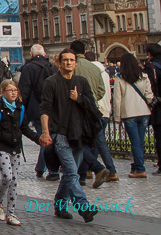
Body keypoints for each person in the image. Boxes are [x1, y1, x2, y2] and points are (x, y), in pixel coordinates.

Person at [39, 49, 99, 222]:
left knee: (69, 175)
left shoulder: (81, 82)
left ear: (76, 63)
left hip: (79, 134)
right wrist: (45, 132)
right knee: (72, 173)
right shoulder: (51, 82)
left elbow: (93, 108)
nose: (68, 63)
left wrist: (79, 98)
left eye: (72, 60)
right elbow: (45, 108)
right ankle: (84, 207)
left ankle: (60, 205)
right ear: (59, 62)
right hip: (61, 135)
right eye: (65, 60)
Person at [0, 79, 39, 226]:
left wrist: (38, 139)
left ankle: (11, 213)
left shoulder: (20, 108)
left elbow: (24, 128)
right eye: (10, 90)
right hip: (1, 146)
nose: (14, 93)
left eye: (15, 90)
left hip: (15, 148)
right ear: (3, 92)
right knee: (7, 177)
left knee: (14, 180)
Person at [68, 40, 112, 187]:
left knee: (77, 142)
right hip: (92, 110)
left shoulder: (72, 67)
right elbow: (101, 90)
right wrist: (91, 101)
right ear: (85, 52)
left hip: (75, 110)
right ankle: (87, 173)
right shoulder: (94, 68)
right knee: (91, 141)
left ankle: (93, 170)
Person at [18, 44, 58, 180]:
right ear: (45, 54)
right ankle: (42, 167)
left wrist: (21, 109)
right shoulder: (52, 67)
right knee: (49, 136)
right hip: (53, 108)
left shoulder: (29, 68)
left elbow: (24, 90)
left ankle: (51, 170)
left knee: (44, 138)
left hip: (36, 109)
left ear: (31, 55)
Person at [112, 51, 154, 178]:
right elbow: (149, 95)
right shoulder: (144, 76)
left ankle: (140, 168)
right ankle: (136, 166)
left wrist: (117, 117)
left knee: (135, 141)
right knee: (139, 141)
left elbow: (117, 99)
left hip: (129, 113)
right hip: (144, 111)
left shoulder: (120, 78)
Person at [143, 43, 161, 174]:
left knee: (159, 136)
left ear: (149, 54)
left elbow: (150, 87)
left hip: (158, 105)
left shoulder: (151, 66)